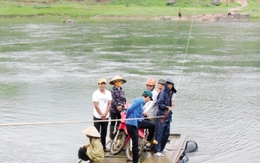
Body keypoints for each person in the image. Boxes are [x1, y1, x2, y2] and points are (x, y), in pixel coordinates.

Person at [126, 90, 156, 163]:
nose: (149, 100)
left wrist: (141, 117)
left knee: (152, 125)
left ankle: (148, 140)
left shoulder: (141, 102)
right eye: (149, 99)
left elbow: (139, 113)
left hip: (138, 122)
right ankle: (135, 161)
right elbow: (129, 109)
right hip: (132, 124)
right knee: (135, 143)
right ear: (148, 97)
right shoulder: (139, 100)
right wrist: (127, 117)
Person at [154, 78, 177, 157]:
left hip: (168, 116)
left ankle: (162, 148)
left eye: (171, 85)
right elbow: (160, 104)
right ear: (166, 84)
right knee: (159, 133)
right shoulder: (162, 93)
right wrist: (167, 107)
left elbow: (169, 103)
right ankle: (157, 150)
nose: (170, 86)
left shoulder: (170, 93)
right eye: (169, 84)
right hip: (162, 116)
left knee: (166, 133)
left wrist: (171, 104)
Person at [92, 78, 112, 152]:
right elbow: (96, 105)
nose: (102, 85)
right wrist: (101, 114)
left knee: (104, 132)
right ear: (98, 85)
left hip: (105, 116)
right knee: (96, 133)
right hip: (97, 116)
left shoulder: (108, 93)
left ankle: (103, 146)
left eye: (103, 84)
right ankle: (96, 148)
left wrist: (105, 113)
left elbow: (109, 103)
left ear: (106, 85)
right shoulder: (95, 93)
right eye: (101, 84)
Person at [109, 75, 127, 139]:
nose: (119, 83)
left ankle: (118, 135)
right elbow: (112, 99)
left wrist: (122, 106)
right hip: (114, 109)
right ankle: (111, 136)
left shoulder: (122, 90)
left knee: (119, 123)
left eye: (119, 81)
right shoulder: (112, 90)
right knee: (112, 123)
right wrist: (117, 106)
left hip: (121, 110)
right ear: (114, 82)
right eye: (117, 82)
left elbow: (124, 100)